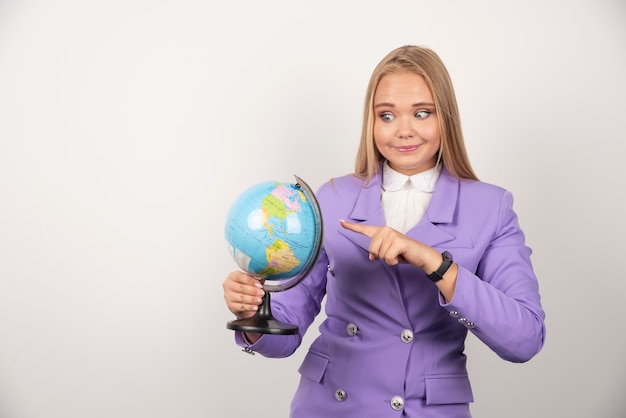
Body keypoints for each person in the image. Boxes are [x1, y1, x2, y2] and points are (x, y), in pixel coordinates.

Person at [222, 45, 546, 417]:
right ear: (371, 122)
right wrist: (252, 316)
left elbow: (525, 340)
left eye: (422, 113)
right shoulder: (332, 198)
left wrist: (436, 265)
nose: (403, 131)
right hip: (330, 406)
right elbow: (286, 331)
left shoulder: (491, 207)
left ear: (447, 118)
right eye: (387, 115)